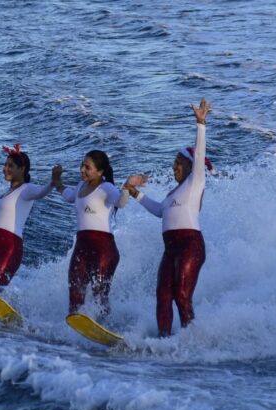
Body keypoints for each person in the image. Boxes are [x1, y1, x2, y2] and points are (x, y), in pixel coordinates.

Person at [123, 98, 213, 337]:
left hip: (190, 245)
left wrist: (200, 123)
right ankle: (164, 338)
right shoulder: (172, 194)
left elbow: (200, 151)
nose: (174, 168)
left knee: (182, 294)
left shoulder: (195, 182)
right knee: (163, 294)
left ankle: (190, 340)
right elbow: (159, 211)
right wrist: (136, 194)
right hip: (170, 248)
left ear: (190, 165)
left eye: (178, 164)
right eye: (173, 164)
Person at [0, 144, 61, 286]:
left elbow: (41, 192)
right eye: (5, 165)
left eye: (10, 166)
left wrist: (53, 182)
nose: (5, 169)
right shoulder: (3, 194)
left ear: (22, 169)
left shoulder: (27, 189)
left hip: (9, 248)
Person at [53, 150, 129, 317]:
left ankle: (105, 328)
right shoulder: (80, 186)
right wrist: (57, 181)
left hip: (104, 249)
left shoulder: (106, 187)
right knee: (75, 292)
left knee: (99, 294)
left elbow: (121, 202)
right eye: (82, 165)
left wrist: (128, 188)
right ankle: (73, 330)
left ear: (100, 172)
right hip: (81, 247)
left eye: (87, 167)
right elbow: (68, 195)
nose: (82, 170)